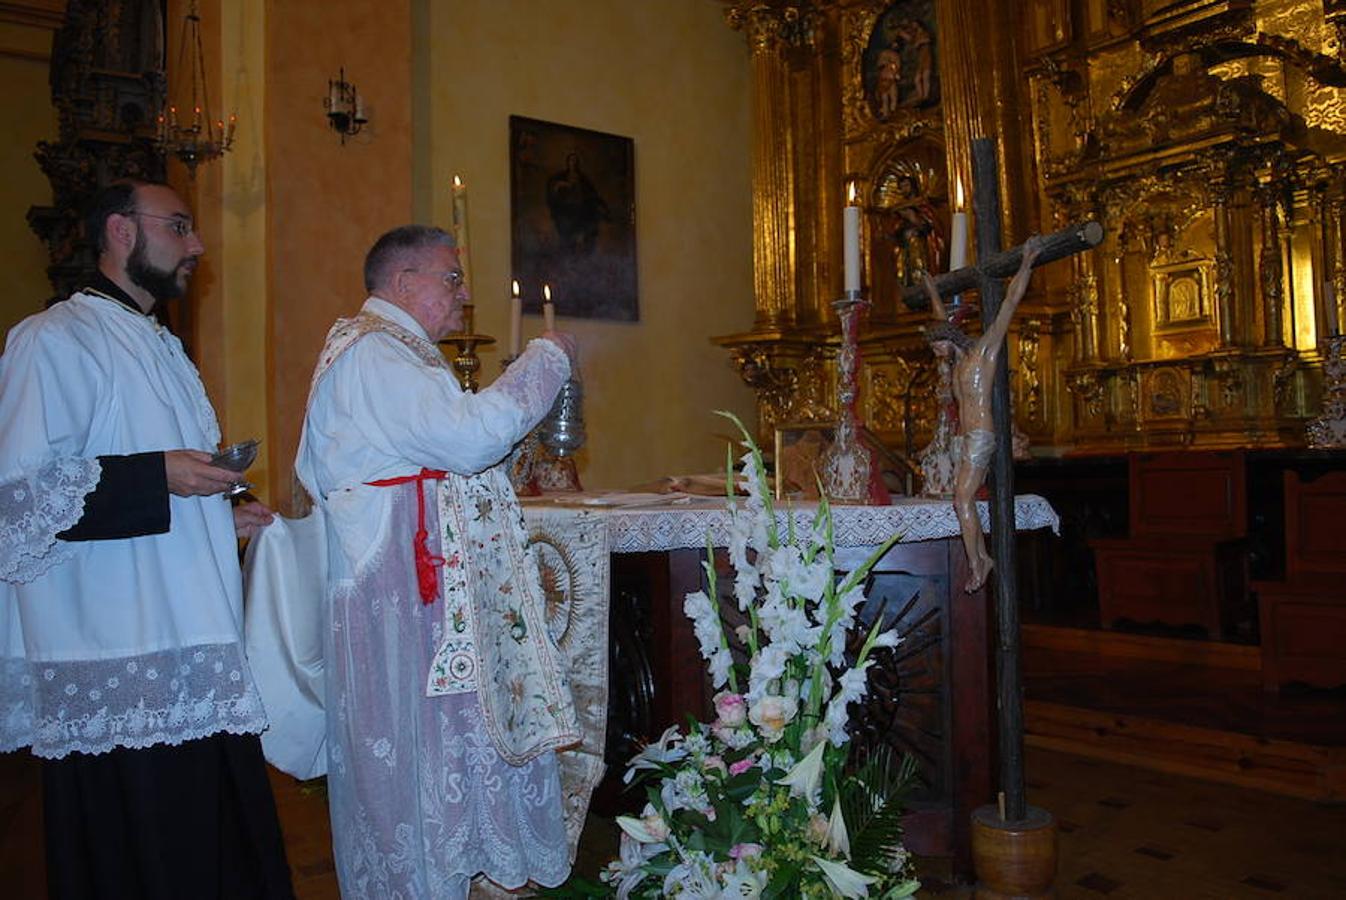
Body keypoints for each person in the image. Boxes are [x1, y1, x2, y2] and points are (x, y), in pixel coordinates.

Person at [0, 179, 293, 899]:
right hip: (116, 657)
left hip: (189, 649)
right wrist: (157, 473)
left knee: (218, 853)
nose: (197, 245)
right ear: (120, 231)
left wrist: (219, 525)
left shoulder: (162, 346)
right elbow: (19, 501)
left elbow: (139, 508)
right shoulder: (54, 339)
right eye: (180, 226)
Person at [296, 225, 581, 898]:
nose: (465, 295)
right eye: (452, 279)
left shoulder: (398, 354)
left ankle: (470, 872)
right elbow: (468, 438)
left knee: (448, 750)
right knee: (416, 757)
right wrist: (545, 358)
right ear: (403, 284)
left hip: (417, 587)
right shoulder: (373, 354)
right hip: (399, 591)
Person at [921, 234, 1042, 593]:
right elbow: (942, 320)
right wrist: (931, 290)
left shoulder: (984, 354)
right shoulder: (958, 358)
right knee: (961, 500)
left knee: (962, 499)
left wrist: (1026, 262)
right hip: (964, 439)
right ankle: (979, 558)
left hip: (980, 436)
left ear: (947, 340)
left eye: (936, 345)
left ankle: (980, 560)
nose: (936, 352)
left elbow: (1009, 303)